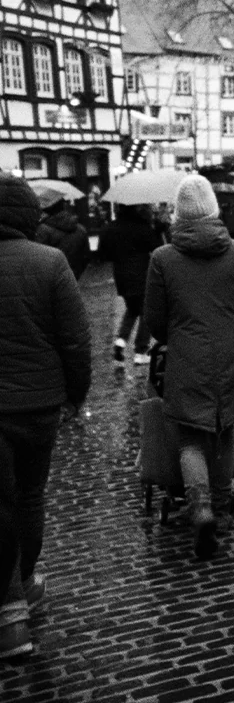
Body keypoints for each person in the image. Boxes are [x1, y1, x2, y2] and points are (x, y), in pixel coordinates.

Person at [143, 175, 234, 560]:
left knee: (189, 439)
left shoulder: (163, 259)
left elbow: (155, 320)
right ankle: (223, 506)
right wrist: (231, 328)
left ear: (178, 213)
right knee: (225, 430)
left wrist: (179, 334)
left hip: (187, 358)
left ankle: (200, 508)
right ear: (213, 207)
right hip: (233, 356)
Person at [0, 175, 92, 660]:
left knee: (1, 505)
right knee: (30, 495)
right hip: (39, 404)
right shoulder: (49, 261)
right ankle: (25, 585)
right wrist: (75, 395)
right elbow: (75, 339)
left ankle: (11, 615)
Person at [96, 204, 165, 369]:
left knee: (133, 309)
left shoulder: (109, 228)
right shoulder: (141, 227)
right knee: (146, 311)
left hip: (121, 276)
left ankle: (121, 340)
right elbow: (156, 247)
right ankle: (141, 351)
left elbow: (102, 254)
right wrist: (158, 229)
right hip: (141, 274)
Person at [33, 190, 89, 280]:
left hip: (51, 279)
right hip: (74, 277)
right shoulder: (80, 229)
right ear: (63, 206)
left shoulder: (42, 230)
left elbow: (37, 260)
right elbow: (86, 257)